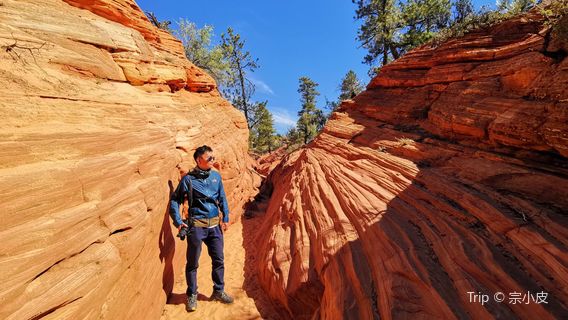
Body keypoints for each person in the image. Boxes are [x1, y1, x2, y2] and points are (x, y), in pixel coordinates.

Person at [169, 145, 234, 312]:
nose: (213, 160)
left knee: (219, 260)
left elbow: (222, 198)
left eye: (213, 157)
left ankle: (218, 291)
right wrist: (178, 221)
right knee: (193, 263)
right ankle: (192, 294)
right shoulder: (188, 180)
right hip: (196, 227)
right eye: (209, 158)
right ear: (199, 160)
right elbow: (175, 200)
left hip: (214, 227)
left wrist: (225, 217)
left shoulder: (216, 177)